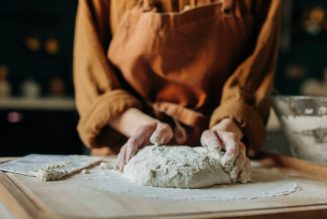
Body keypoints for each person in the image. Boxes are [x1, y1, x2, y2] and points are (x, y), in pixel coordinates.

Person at [74, 0, 280, 183]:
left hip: (222, 151)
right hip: (127, 147)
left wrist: (228, 127)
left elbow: (256, 72)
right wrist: (141, 127)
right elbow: (92, 74)